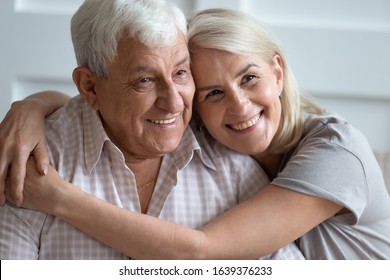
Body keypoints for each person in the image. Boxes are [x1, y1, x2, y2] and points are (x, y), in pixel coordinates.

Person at [2, 7, 390, 259]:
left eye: (250, 77)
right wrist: (31, 106)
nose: (238, 106)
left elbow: (200, 254)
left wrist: (57, 197)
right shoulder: (197, 125)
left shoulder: (337, 153)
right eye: (214, 92)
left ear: (277, 70)